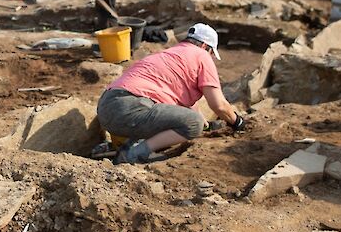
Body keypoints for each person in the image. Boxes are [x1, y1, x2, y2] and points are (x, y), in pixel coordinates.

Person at [92, 23, 246, 164]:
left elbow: (189, 108)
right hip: (130, 107)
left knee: (189, 120)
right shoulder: (202, 56)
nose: (211, 57)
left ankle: (115, 147)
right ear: (206, 46)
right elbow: (218, 105)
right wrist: (237, 122)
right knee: (194, 123)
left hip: (107, 105)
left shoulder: (170, 54)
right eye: (212, 53)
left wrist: (205, 126)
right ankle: (133, 155)